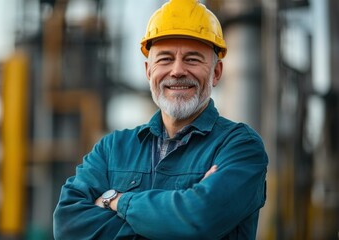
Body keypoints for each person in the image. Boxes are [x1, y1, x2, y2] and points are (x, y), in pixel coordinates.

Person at [53, 0, 268, 239]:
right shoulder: (112, 149)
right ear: (148, 71)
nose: (177, 70)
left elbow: (198, 219)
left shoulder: (240, 147)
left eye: (192, 59)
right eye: (165, 59)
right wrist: (177, 216)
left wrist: (116, 200)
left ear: (216, 73)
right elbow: (67, 224)